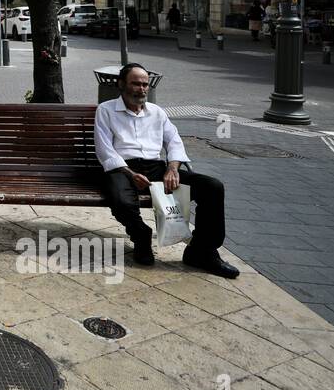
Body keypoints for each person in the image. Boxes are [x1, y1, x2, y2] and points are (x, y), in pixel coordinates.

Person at [94, 63, 236, 278]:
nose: (141, 89)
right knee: (122, 200)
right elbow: (104, 149)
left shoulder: (157, 112)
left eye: (145, 84)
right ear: (121, 84)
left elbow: (174, 142)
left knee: (212, 187)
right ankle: (141, 237)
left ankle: (202, 251)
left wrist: (172, 168)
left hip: (156, 167)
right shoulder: (106, 110)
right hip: (122, 168)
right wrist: (130, 174)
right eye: (135, 84)